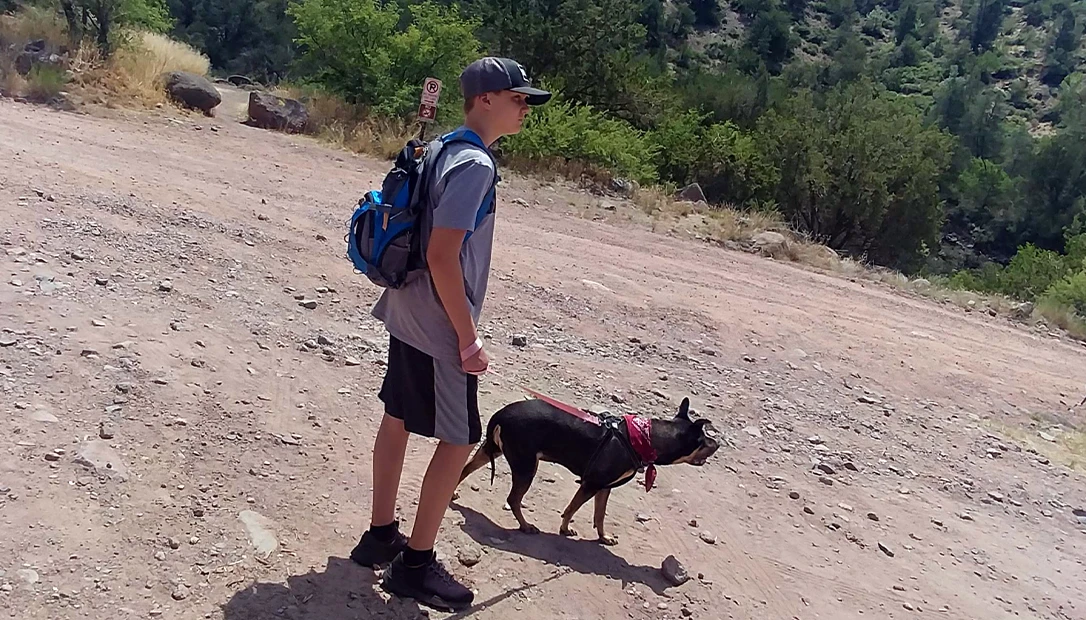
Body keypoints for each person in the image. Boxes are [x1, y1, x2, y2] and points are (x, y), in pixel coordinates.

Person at [349, 57, 551, 612]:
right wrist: (468, 337)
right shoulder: (474, 165)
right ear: (485, 99)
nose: (525, 107)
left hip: (404, 307)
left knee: (397, 420)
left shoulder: (441, 145)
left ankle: (380, 536)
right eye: (517, 98)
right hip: (438, 323)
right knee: (460, 439)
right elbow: (442, 253)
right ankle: (415, 564)